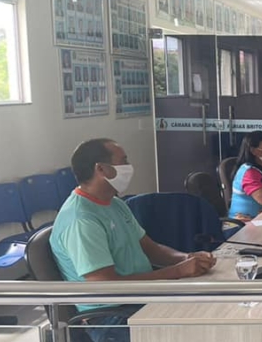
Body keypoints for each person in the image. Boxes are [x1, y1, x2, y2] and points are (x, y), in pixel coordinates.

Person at [50, 139, 216, 342]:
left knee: (212, 312)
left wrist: (187, 258)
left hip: (141, 298)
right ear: (101, 169)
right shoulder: (82, 220)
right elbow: (106, 286)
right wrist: (177, 272)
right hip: (111, 317)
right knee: (200, 333)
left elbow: (151, 249)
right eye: (123, 161)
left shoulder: (115, 204)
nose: (129, 167)